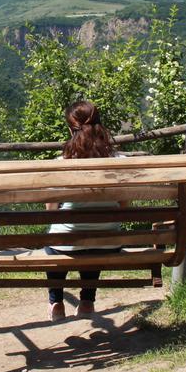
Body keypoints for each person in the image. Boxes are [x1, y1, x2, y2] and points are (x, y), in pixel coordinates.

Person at [45, 100, 122, 320]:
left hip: (68, 243)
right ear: (99, 125)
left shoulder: (62, 163)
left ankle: (56, 302)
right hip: (109, 243)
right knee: (96, 239)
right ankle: (87, 301)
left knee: (58, 243)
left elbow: (50, 209)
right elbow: (125, 205)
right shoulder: (119, 161)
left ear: (71, 129)